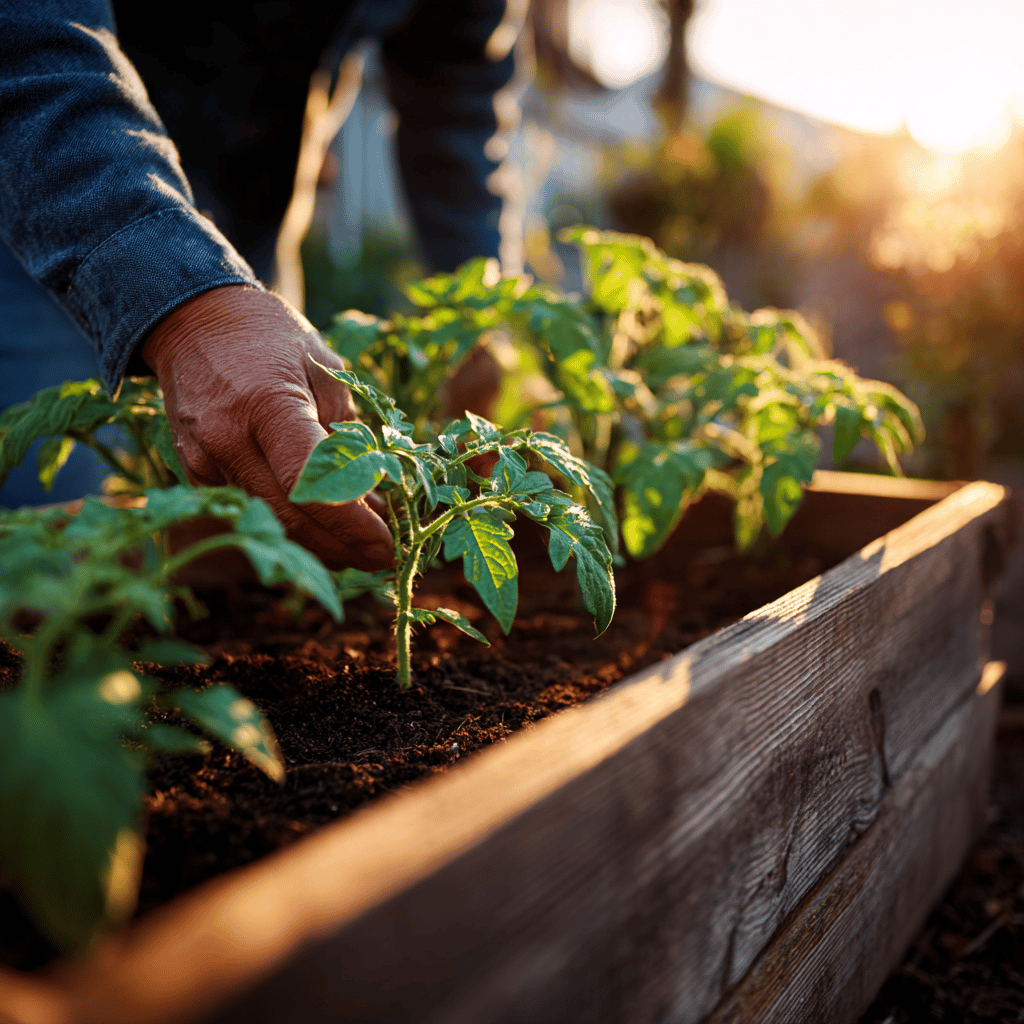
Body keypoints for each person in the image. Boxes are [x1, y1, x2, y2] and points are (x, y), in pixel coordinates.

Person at [0, 0, 517, 570]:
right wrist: (184, 298)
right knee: (47, 557)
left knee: (264, 524)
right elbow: (25, 36)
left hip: (253, 245)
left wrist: (478, 306)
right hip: (44, 197)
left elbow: (459, 82)